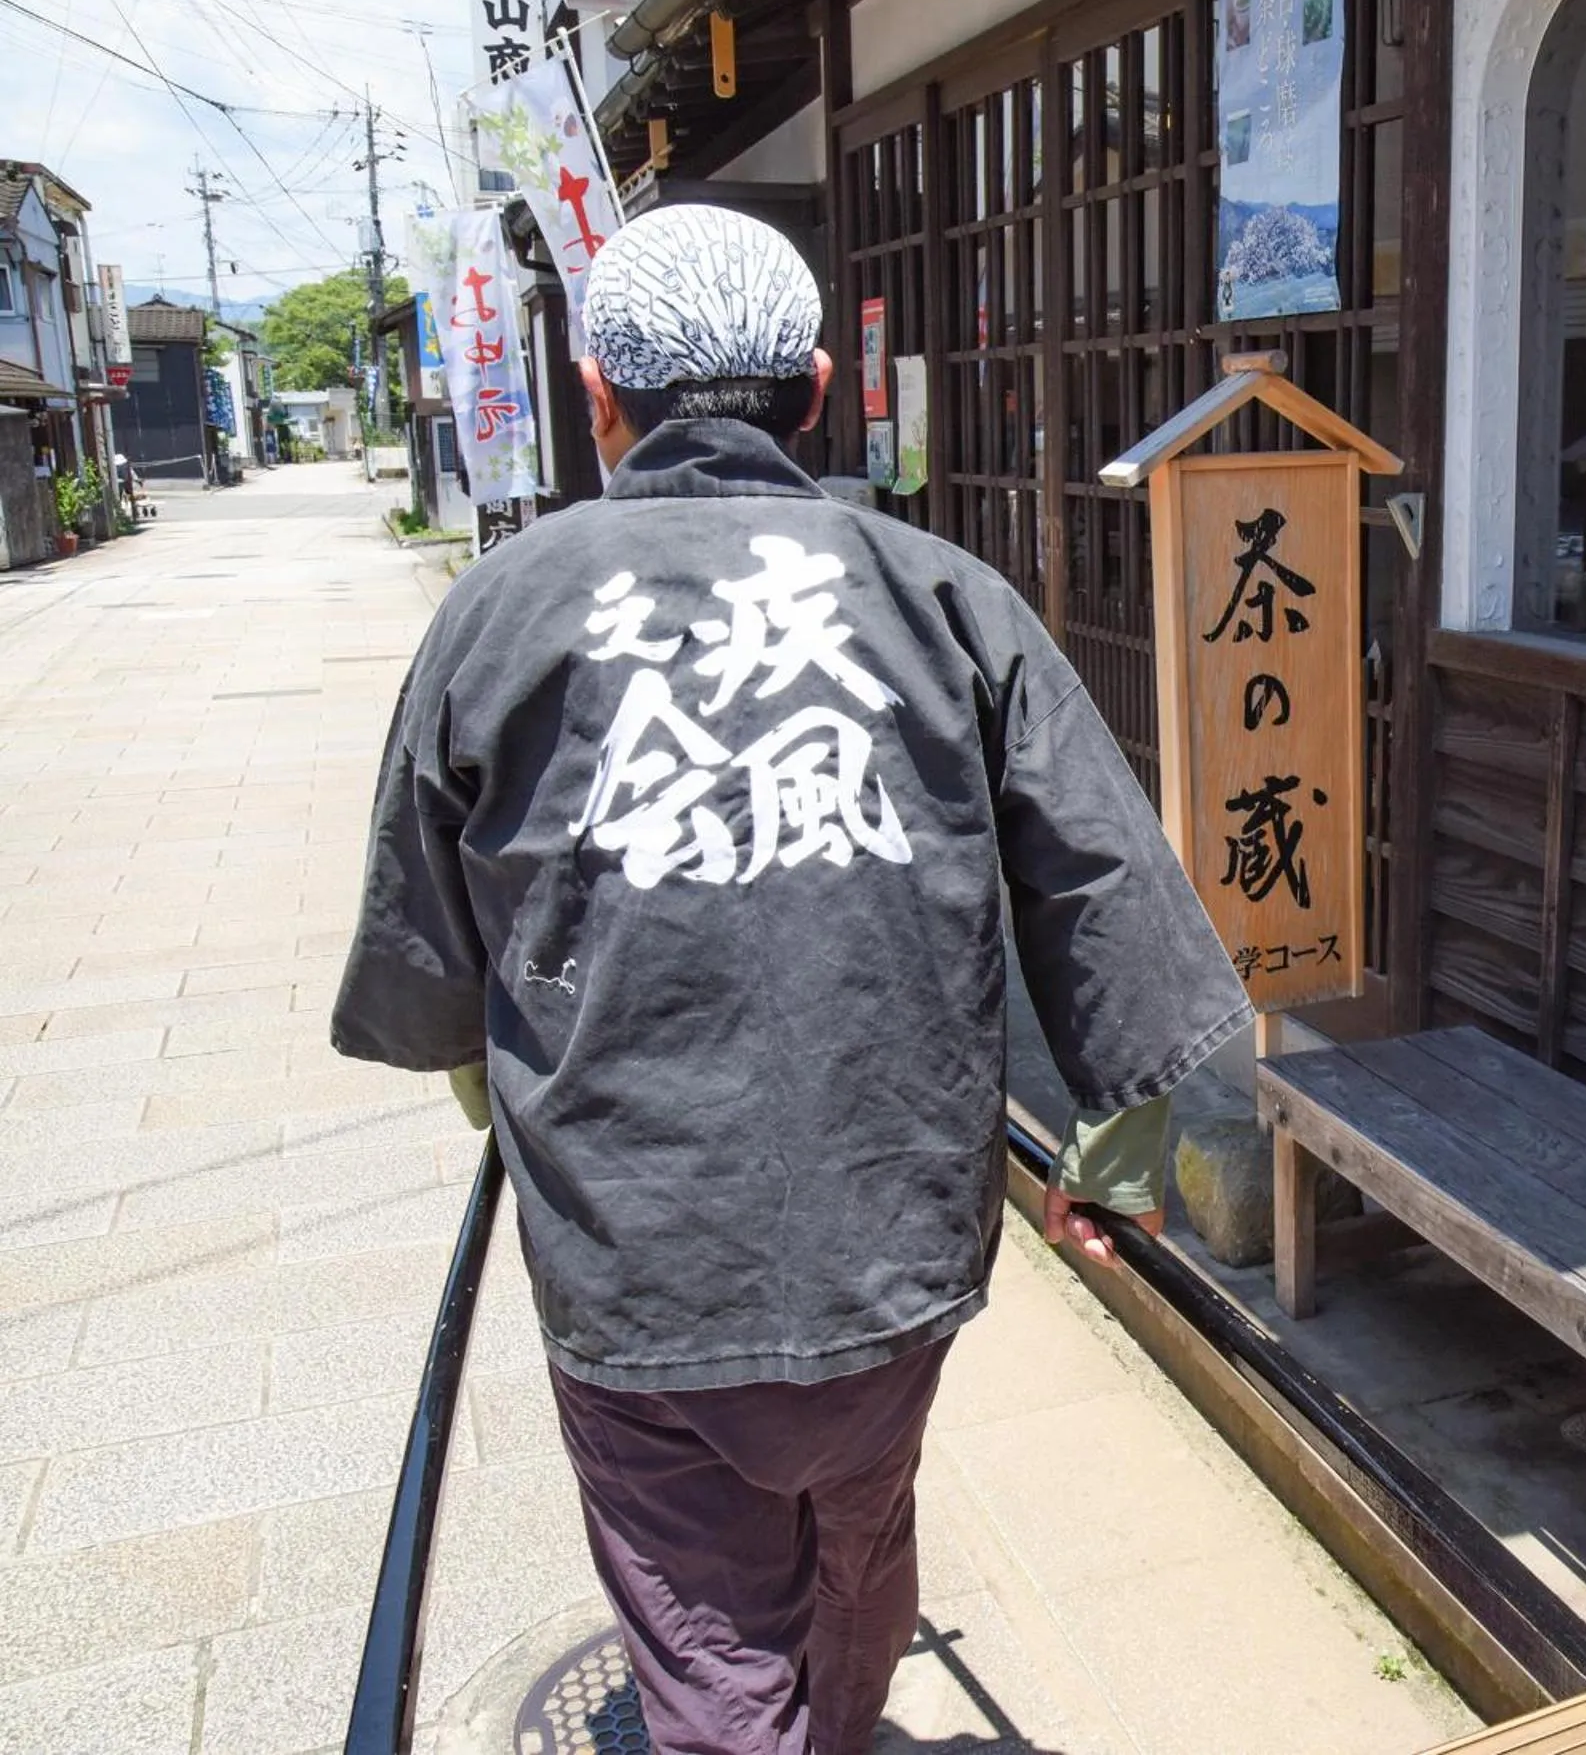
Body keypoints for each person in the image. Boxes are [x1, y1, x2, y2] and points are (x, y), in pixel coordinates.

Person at [332, 204, 1251, 1755]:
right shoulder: (944, 596)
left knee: (699, 1627)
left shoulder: (498, 612)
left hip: (635, 1255)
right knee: (861, 1523)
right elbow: (1104, 880)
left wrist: (497, 1100)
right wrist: (1119, 1154)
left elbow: (434, 960)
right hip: (890, 1242)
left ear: (597, 394)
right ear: (818, 390)